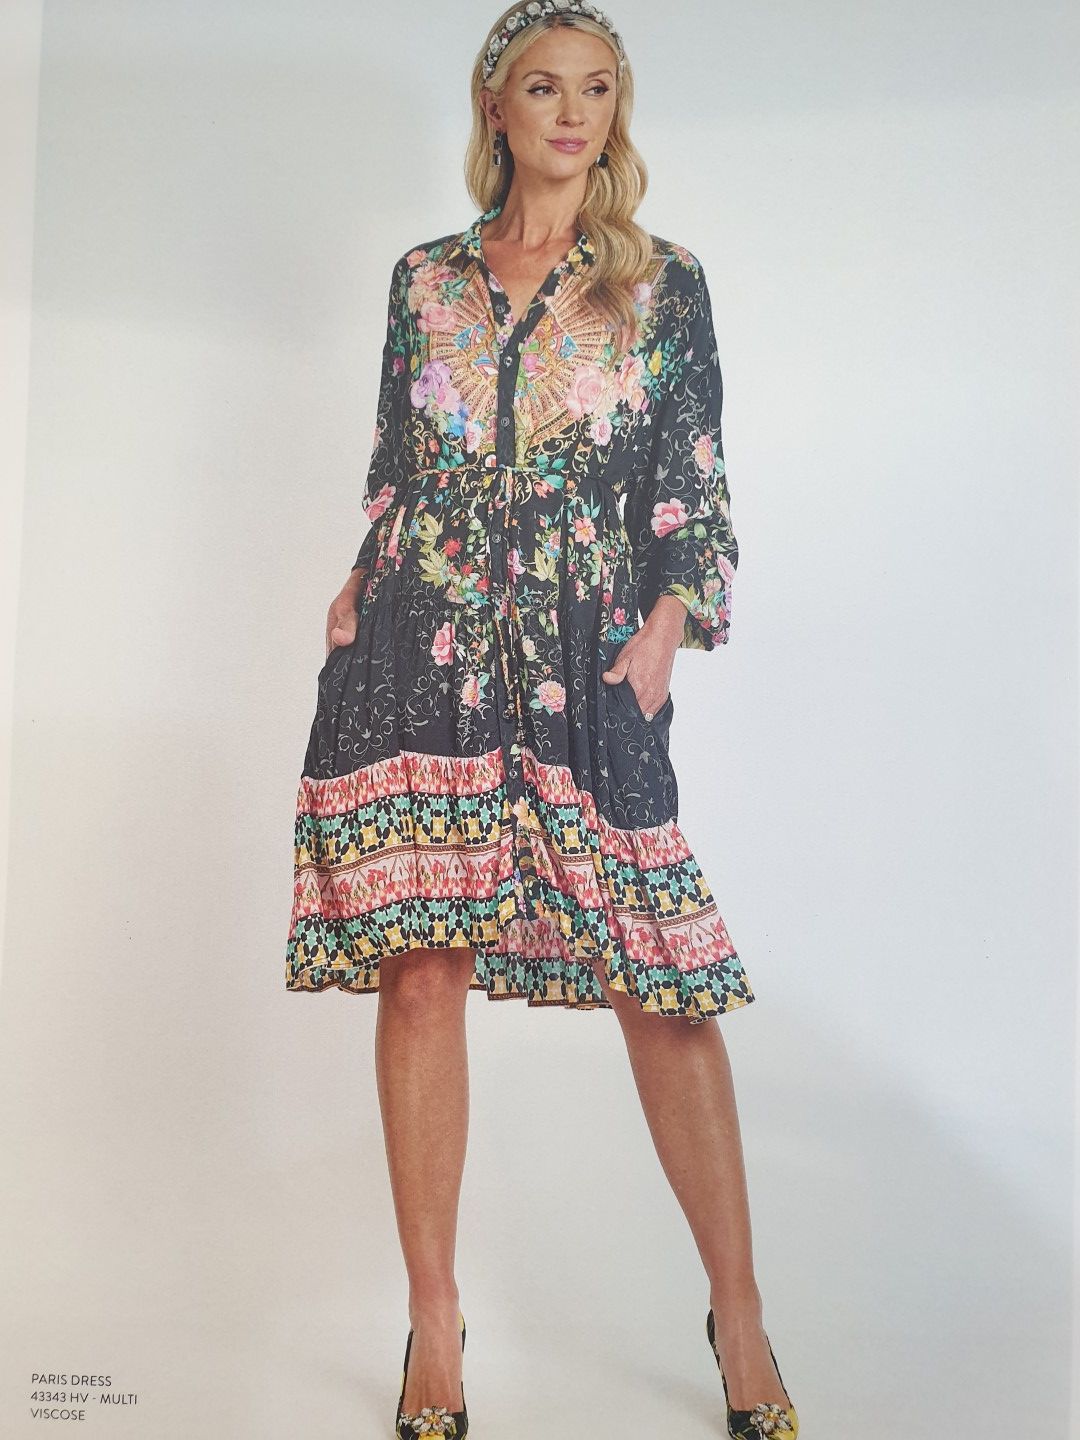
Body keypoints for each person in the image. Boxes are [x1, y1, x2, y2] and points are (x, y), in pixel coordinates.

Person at [286, 3, 798, 1436]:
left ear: (612, 113)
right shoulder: (424, 282)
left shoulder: (662, 284)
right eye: (542, 87)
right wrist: (353, 577)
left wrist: (667, 624)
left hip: (588, 661)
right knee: (420, 971)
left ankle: (740, 1316)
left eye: (595, 90)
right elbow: (397, 466)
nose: (570, 113)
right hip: (418, 651)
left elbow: (696, 485)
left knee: (663, 982)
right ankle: (434, 1325)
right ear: (495, 107)